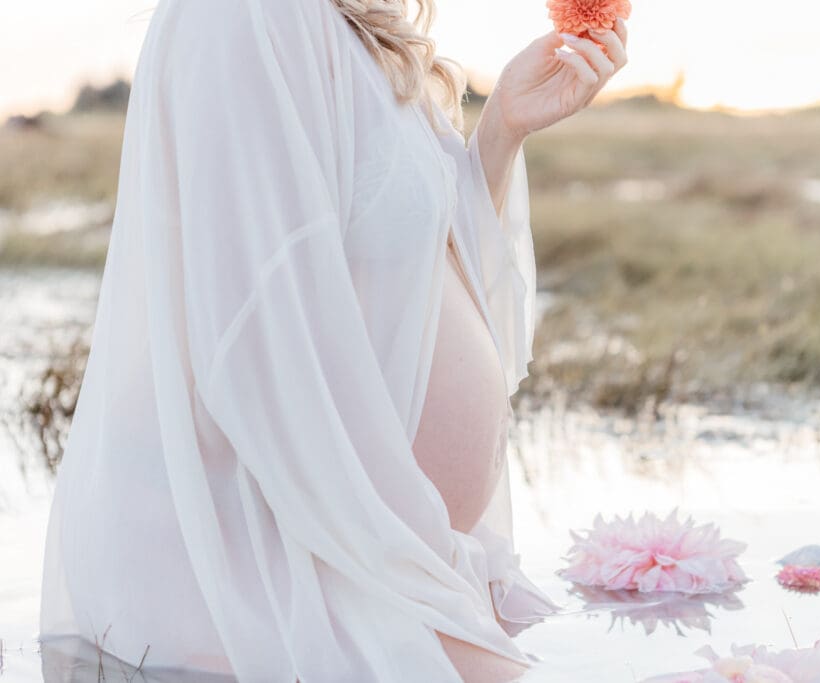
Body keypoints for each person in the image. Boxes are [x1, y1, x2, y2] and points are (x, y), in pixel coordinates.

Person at [39, 0, 628, 680]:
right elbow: (258, 341)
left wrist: (500, 130)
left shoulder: (351, 29)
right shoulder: (247, 15)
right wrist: (404, 563)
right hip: (257, 571)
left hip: (355, 549)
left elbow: (409, 270)